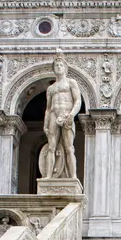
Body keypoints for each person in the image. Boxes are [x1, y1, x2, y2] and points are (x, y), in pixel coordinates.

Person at [42, 49, 81, 179]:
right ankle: (48, 176)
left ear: (65, 68)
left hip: (66, 115)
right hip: (54, 114)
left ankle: (73, 176)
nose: (58, 67)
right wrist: (45, 124)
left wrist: (71, 115)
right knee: (51, 147)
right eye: (56, 65)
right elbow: (48, 108)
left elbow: (78, 101)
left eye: (61, 65)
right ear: (54, 69)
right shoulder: (51, 88)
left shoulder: (71, 83)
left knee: (69, 148)